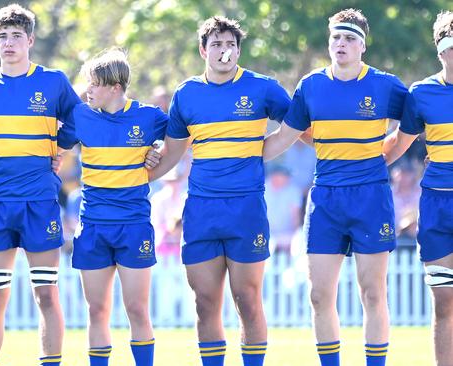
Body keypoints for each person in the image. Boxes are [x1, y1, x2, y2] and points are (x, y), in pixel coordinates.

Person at [263, 9, 408, 366]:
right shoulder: (311, 86)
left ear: (362, 46)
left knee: (372, 292)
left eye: (349, 38)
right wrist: (240, 158)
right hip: (326, 198)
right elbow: (286, 136)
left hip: (371, 197)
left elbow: (417, 121)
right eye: (335, 38)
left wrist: (387, 152)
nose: (340, 44)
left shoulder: (385, 85)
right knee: (319, 295)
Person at [146, 16, 291, 366]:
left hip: (246, 210)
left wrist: (263, 149)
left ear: (238, 50)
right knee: (205, 302)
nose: (224, 51)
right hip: (202, 211)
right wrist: (137, 175)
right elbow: (173, 153)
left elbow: (297, 125)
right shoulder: (187, 94)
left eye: (230, 45)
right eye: (216, 44)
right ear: (203, 50)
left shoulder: (262, 87)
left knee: (247, 299)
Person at [0, 4, 81, 366]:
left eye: (17, 35)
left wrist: (61, 149)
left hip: (39, 203)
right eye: (2, 36)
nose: (9, 42)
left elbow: (79, 120)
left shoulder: (53, 81)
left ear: (30, 40)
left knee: (46, 294)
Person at [58, 47, 167, 366]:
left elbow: (180, 137)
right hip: (92, 226)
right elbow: (54, 140)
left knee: (136, 308)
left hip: (133, 226)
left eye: (94, 84)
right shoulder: (81, 115)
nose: (87, 90)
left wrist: (158, 149)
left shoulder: (148, 116)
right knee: (97, 310)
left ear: (115, 88)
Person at [383, 10, 453, 366]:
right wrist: (358, 165)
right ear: (440, 50)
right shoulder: (422, 93)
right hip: (438, 204)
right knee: (444, 302)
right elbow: (400, 142)